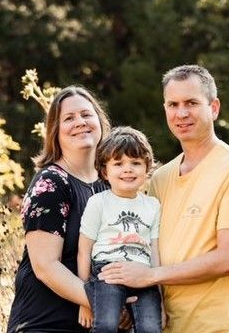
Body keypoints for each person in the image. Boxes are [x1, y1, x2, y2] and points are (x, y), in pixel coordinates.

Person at [97, 64, 229, 333]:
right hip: (164, 326)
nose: (181, 113)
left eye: (191, 103)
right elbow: (150, 248)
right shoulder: (160, 178)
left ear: (214, 107)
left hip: (214, 326)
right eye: (173, 104)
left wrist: (150, 276)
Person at [7, 86, 111, 333]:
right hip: (44, 323)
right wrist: (106, 305)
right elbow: (46, 266)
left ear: (99, 121)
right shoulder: (51, 182)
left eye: (86, 115)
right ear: (55, 132)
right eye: (69, 118)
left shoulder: (110, 184)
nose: (80, 122)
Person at [78, 126, 164, 333]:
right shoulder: (98, 202)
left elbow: (155, 251)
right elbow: (84, 251)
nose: (128, 169)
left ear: (147, 169)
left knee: (152, 328)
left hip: (144, 275)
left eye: (135, 163)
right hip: (107, 272)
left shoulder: (152, 205)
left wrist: (160, 297)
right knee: (106, 324)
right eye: (119, 164)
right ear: (105, 172)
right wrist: (84, 300)